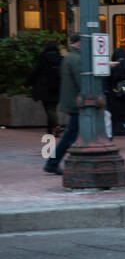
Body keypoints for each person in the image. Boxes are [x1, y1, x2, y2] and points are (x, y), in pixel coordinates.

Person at [43, 34, 81, 175]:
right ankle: (52, 163)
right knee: (70, 136)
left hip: (70, 101)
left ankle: (53, 162)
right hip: (76, 102)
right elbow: (80, 81)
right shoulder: (76, 58)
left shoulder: (68, 57)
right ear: (79, 43)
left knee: (71, 134)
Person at [26, 40, 63, 137]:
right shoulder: (60, 58)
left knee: (49, 108)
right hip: (57, 86)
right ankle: (50, 130)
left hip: (44, 86)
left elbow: (35, 71)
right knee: (53, 108)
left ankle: (56, 126)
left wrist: (27, 83)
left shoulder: (43, 57)